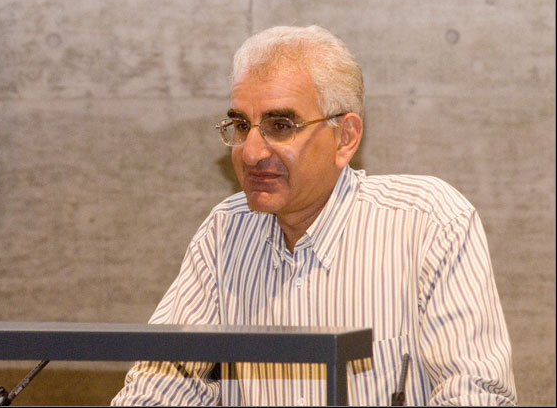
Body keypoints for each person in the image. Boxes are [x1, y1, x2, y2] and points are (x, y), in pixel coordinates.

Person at [111, 25, 516, 406]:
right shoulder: (225, 232)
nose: (250, 152)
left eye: (281, 125)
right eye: (241, 125)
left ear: (345, 138)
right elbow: (157, 388)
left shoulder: (428, 222)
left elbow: (476, 395)